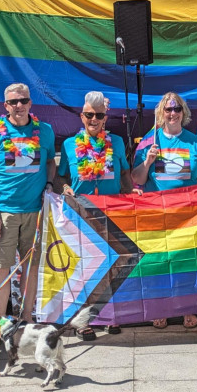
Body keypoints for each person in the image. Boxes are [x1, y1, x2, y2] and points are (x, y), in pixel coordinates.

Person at [132, 92, 197, 329]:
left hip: (186, 214)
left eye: (177, 109)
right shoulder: (149, 141)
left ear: (183, 112)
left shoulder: (196, 142)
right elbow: (136, 178)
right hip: (157, 212)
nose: (172, 114)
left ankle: (187, 307)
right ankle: (161, 309)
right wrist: (147, 161)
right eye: (168, 110)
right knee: (159, 261)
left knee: (186, 262)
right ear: (161, 113)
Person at [55, 91, 133, 339]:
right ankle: (83, 321)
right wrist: (64, 188)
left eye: (99, 115)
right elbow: (62, 176)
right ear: (82, 116)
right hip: (81, 212)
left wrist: (131, 201)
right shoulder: (69, 145)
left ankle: (111, 316)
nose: (94, 119)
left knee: (113, 265)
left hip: (112, 209)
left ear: (105, 117)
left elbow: (124, 175)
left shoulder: (117, 143)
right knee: (85, 267)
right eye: (89, 115)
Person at [0, 83, 56, 323]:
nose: (19, 105)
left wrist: (50, 184)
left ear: (30, 103)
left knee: (32, 267)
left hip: (36, 212)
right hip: (5, 213)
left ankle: (26, 318)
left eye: (23, 101)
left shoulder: (45, 130)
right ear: (6, 106)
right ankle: (1, 323)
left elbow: (50, 162)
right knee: (1, 269)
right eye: (13, 102)